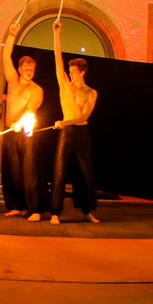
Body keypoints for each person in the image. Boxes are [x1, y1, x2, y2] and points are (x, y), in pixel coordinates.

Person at [50, 16, 99, 224]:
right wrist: (56, 34)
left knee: (86, 171)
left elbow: (84, 116)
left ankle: (87, 211)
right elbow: (57, 58)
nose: (69, 74)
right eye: (68, 71)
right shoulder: (65, 85)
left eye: (73, 72)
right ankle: (55, 212)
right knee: (59, 170)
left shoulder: (91, 92)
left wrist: (65, 122)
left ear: (82, 72)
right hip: (67, 132)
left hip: (81, 131)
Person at [0, 25, 45, 219]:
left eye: (31, 69)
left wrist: (22, 122)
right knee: (11, 171)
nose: (29, 71)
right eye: (25, 68)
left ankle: (34, 209)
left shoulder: (37, 90)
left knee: (28, 171)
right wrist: (12, 34)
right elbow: (5, 55)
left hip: (25, 134)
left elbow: (31, 110)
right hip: (9, 131)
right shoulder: (12, 80)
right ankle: (17, 205)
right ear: (19, 69)